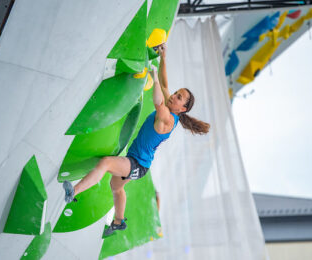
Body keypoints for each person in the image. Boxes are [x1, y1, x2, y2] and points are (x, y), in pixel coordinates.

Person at [63, 44, 210, 235]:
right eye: (176, 94)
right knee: (116, 188)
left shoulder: (167, 117)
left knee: (106, 163)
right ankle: (118, 222)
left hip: (138, 164)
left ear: (183, 109)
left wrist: (154, 77)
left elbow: (158, 99)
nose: (173, 96)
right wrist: (163, 58)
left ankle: (74, 191)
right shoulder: (170, 107)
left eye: (178, 97)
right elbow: (165, 86)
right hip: (136, 160)